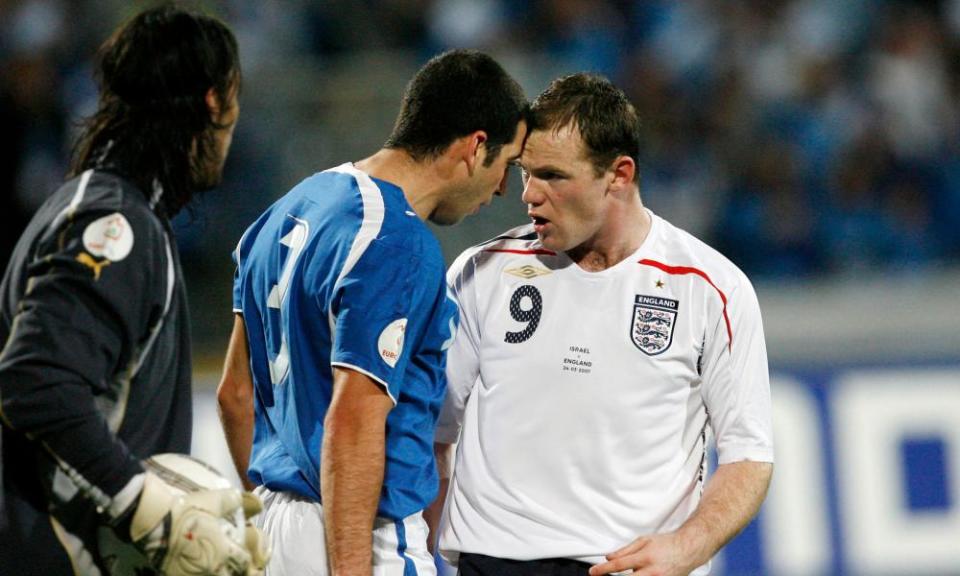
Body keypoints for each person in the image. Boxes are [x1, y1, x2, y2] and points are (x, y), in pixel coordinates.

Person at [433, 73, 774, 576]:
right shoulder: (481, 273)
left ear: (619, 174)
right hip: (494, 563)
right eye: (526, 172)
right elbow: (432, 432)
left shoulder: (711, 289)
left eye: (552, 175)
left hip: (624, 567)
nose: (529, 194)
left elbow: (749, 455)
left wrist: (688, 546)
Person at [217, 49, 528, 575]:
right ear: (476, 147)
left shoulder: (287, 208)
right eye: (507, 165)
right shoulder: (396, 241)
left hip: (274, 530)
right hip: (363, 539)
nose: (503, 188)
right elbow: (356, 415)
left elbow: (235, 393)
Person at [0, 4, 267, 575]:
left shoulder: (105, 210)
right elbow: (36, 382)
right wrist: (150, 509)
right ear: (213, 102)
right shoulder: (113, 226)